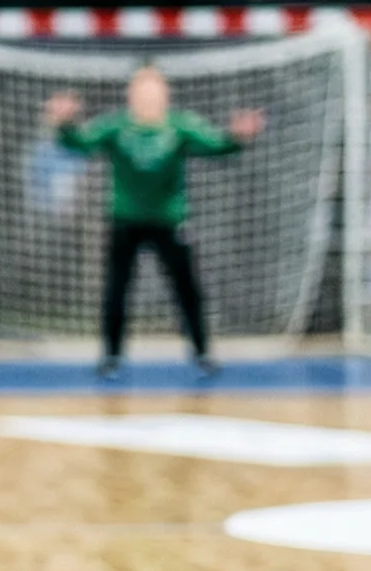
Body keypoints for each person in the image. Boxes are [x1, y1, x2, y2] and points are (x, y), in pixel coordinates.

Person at [43, 68, 262, 377]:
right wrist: (64, 124)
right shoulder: (116, 126)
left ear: (165, 95)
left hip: (168, 221)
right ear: (131, 96)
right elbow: (79, 143)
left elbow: (217, 146)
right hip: (126, 220)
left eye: (154, 91)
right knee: (116, 290)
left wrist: (239, 137)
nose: (148, 98)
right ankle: (112, 357)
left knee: (187, 290)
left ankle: (201, 353)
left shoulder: (180, 125)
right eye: (141, 91)